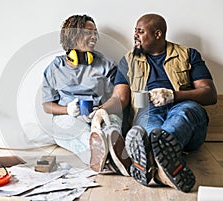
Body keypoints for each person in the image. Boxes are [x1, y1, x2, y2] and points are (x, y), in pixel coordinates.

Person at [93, 13, 217, 192]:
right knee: (146, 131)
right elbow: (120, 98)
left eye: (140, 31)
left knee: (183, 114)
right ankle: (165, 169)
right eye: (135, 31)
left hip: (184, 109)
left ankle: (152, 159)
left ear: (158, 34)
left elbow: (210, 94)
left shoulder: (188, 54)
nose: (135, 35)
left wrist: (173, 96)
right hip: (149, 112)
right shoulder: (128, 61)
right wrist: (100, 110)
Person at [41, 14, 131, 175]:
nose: (94, 36)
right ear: (73, 35)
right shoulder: (54, 68)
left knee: (111, 126)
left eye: (95, 32)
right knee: (80, 133)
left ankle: (113, 147)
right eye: (88, 32)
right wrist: (67, 110)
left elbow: (119, 98)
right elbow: (47, 105)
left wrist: (101, 111)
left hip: (102, 112)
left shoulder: (107, 64)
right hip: (69, 118)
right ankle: (105, 158)